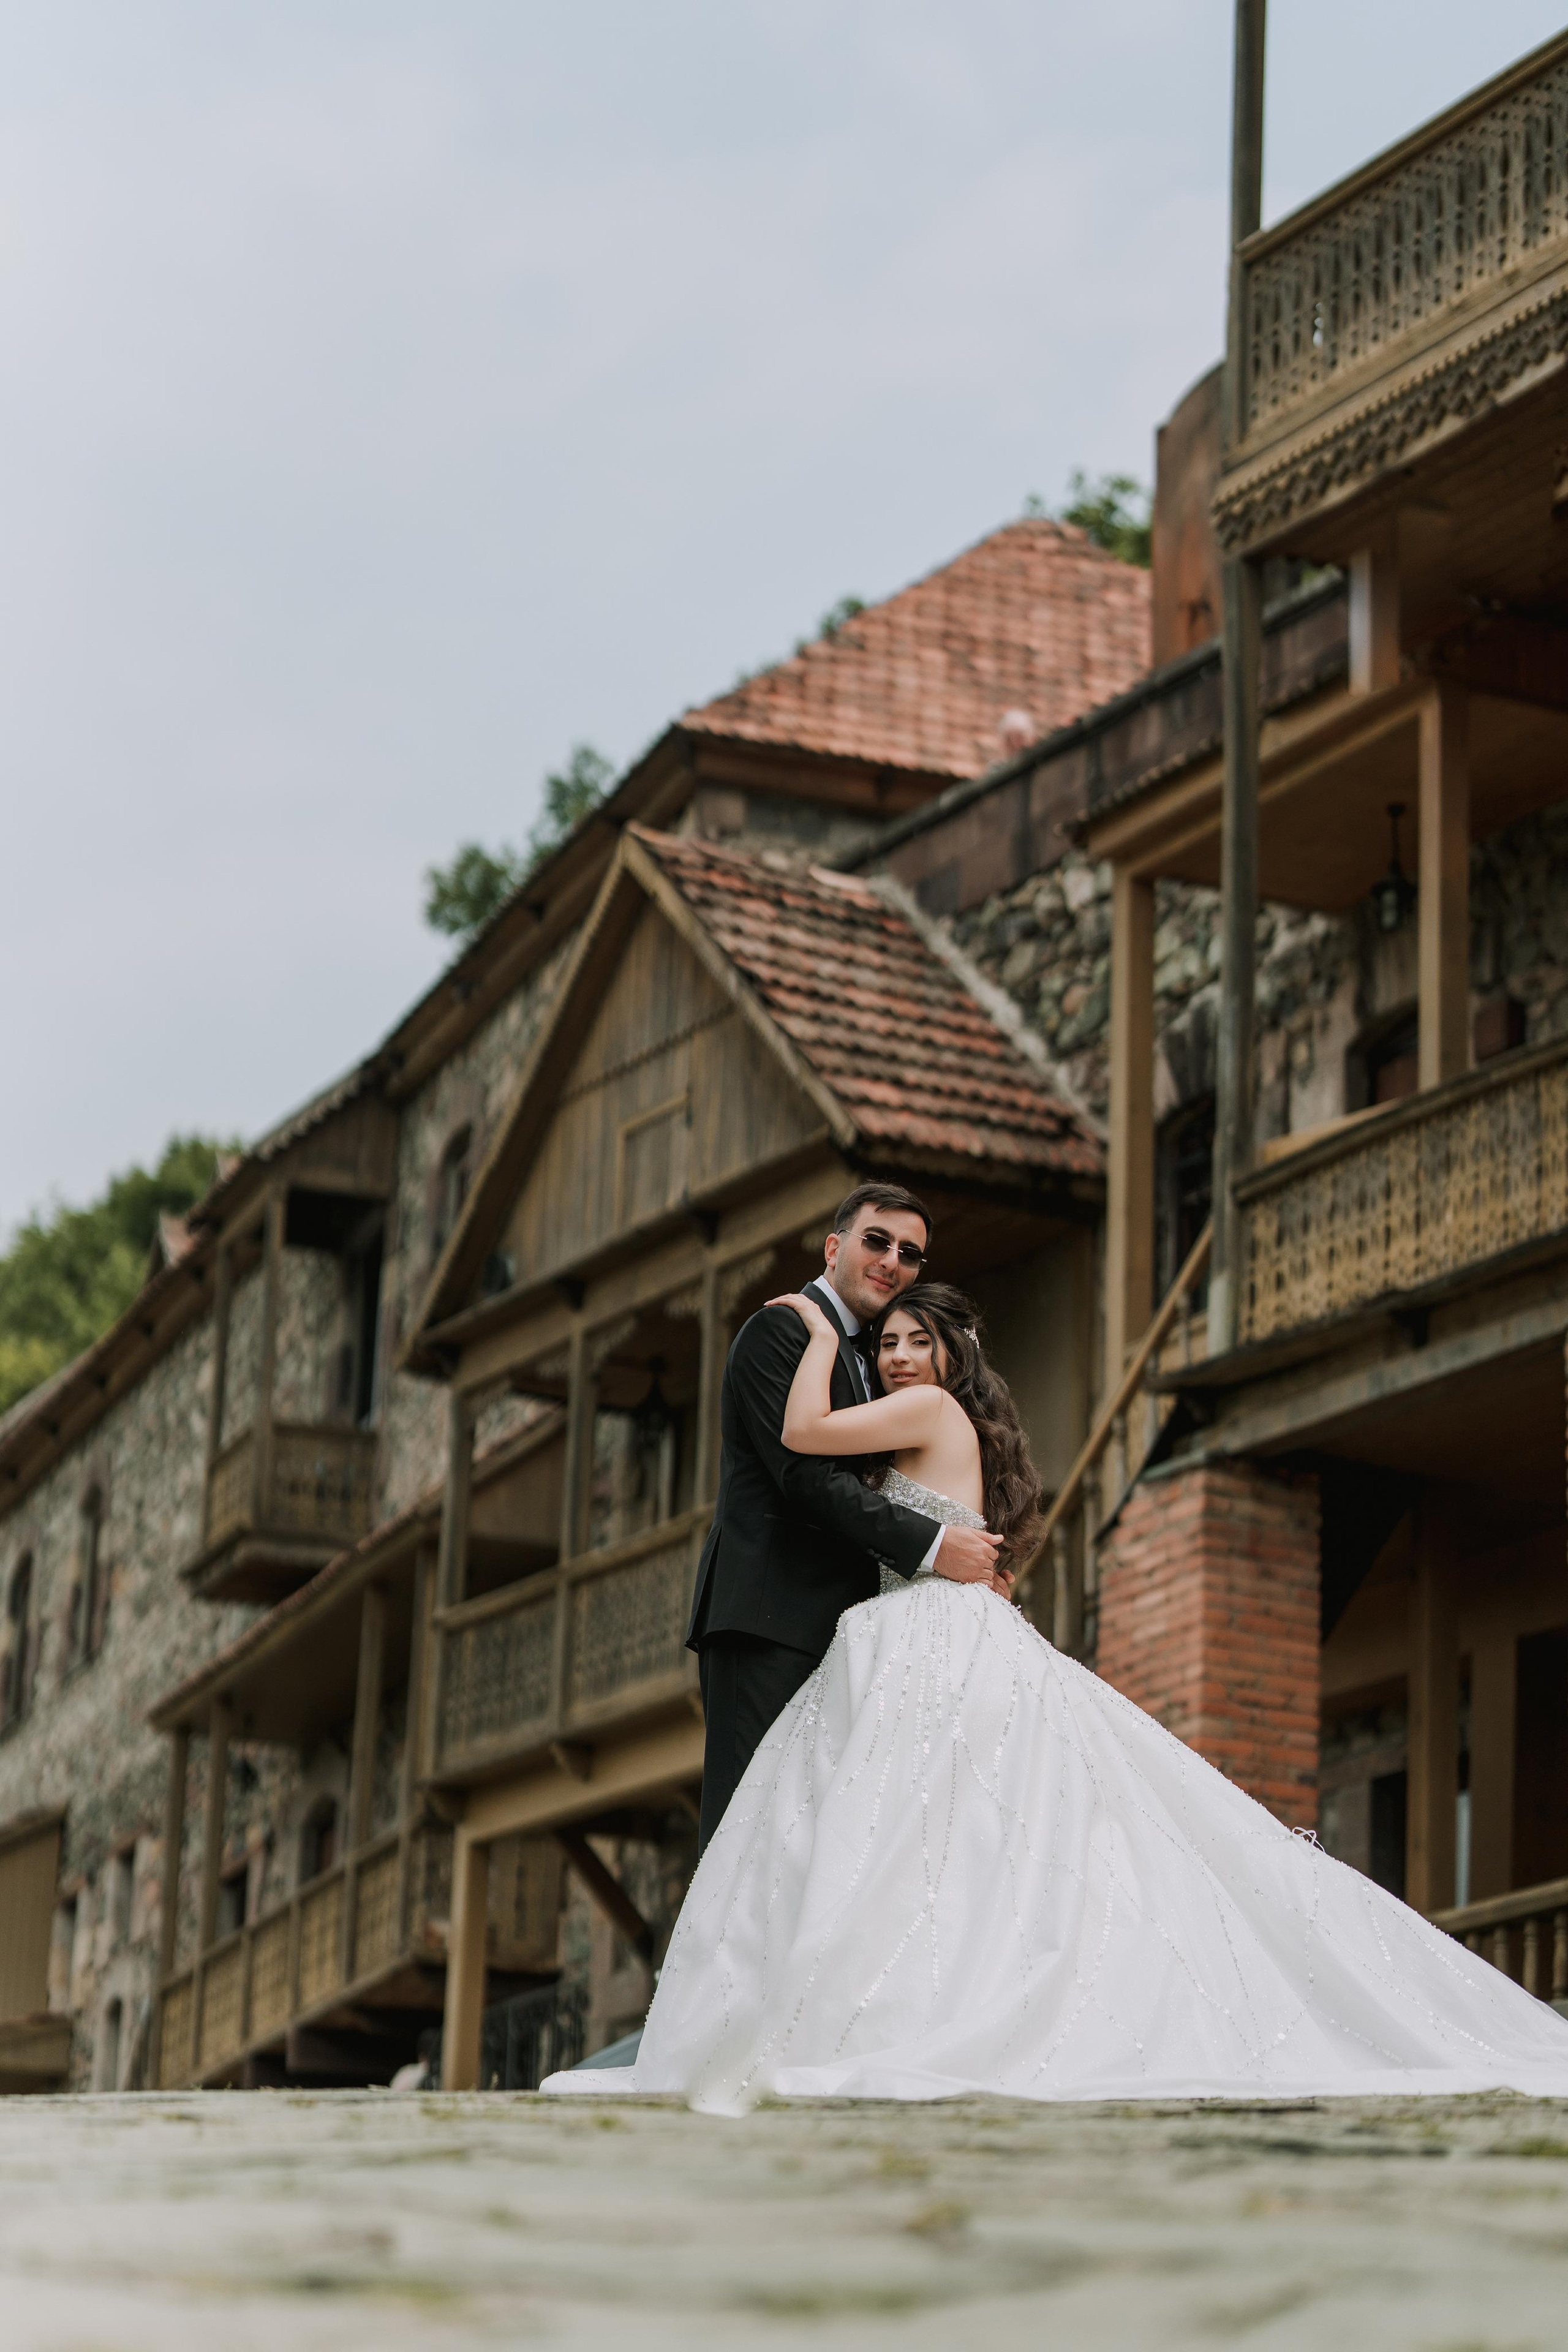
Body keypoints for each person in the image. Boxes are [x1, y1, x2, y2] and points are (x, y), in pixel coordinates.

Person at [546, 1283, 1568, 2110]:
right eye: (889, 1342)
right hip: (929, 1631)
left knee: (916, 1832)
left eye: (915, 1341)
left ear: (950, 1357)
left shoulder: (927, 1409)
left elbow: (807, 1432)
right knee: (940, 1843)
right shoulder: (948, 1419)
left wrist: (820, 1327)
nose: (899, 1355)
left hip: (929, 1641)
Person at [684, 1181, 1005, 1854]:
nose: (894, 1261)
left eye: (911, 1254)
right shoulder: (780, 1331)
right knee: (748, 1835)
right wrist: (935, 1546)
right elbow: (803, 1478)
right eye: (877, 1241)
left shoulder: (880, 1364)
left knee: (820, 1845)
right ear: (834, 1247)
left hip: (849, 1633)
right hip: (770, 1617)